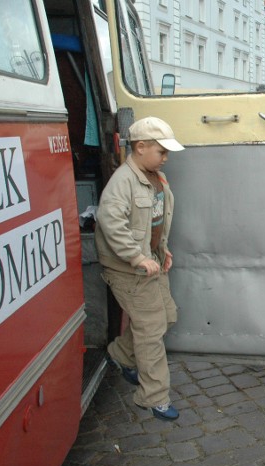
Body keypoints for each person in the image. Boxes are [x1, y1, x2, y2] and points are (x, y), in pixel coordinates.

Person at [96, 116, 184, 421]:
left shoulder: (154, 176)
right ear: (141, 147)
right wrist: (137, 257)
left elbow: (155, 220)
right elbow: (111, 224)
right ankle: (153, 396)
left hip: (151, 262)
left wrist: (161, 250)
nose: (166, 158)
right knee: (151, 330)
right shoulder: (123, 181)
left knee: (166, 317)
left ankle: (119, 354)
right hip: (130, 270)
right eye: (162, 152)